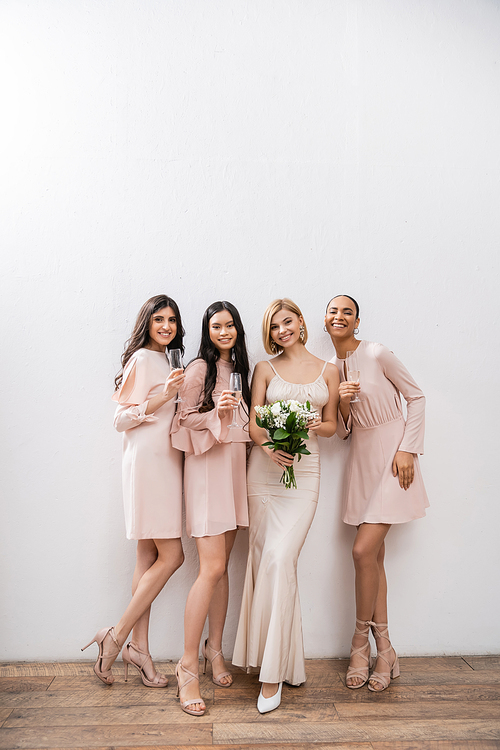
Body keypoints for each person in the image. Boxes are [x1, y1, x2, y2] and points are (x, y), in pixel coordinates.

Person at [233, 298, 339, 714]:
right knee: (267, 561)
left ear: (300, 322)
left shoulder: (328, 369)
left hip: (304, 476)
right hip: (263, 473)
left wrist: (316, 423)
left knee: (281, 558)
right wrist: (268, 445)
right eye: (274, 326)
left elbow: (332, 426)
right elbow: (253, 419)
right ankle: (284, 663)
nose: (282, 330)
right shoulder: (264, 369)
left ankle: (274, 672)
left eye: (288, 321)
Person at [325, 294, 429, 692]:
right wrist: (345, 404)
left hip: (393, 453)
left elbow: (416, 396)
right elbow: (344, 432)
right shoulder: (331, 370)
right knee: (374, 556)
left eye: (346, 312)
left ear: (356, 321)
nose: (339, 316)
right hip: (362, 460)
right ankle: (384, 648)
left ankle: (358, 643)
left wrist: (408, 449)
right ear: (325, 321)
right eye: (333, 311)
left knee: (362, 551)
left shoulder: (377, 352)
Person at [82, 295, 186, 687]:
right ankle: (117, 635)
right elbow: (120, 420)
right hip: (148, 463)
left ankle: (139, 650)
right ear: (147, 323)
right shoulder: (143, 359)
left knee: (147, 554)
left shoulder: (169, 359)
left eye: (172, 319)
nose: (166, 326)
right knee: (172, 555)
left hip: (166, 460)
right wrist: (163, 395)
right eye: (158, 319)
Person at [170, 301, 251, 716]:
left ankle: (214, 650)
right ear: (207, 330)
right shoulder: (199, 368)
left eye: (230, 324)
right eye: (217, 325)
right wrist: (214, 415)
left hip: (234, 473)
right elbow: (181, 422)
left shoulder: (241, 370)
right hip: (206, 474)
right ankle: (187, 666)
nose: (224, 331)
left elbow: (245, 426)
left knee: (224, 569)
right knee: (212, 568)